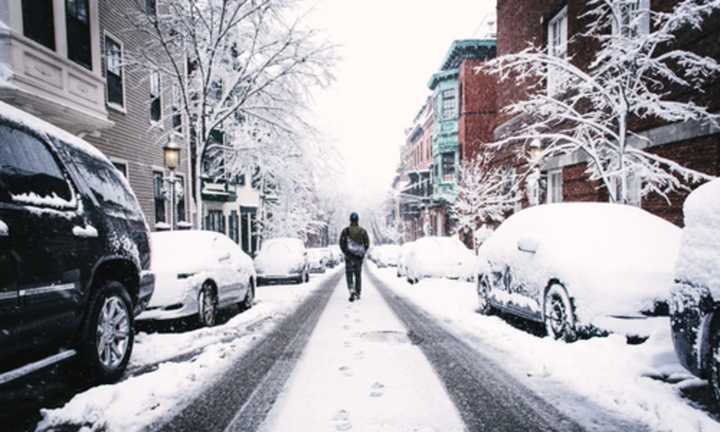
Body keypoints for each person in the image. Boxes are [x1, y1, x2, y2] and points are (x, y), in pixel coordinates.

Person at [339, 212, 370, 302]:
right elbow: (367, 243)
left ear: (350, 220)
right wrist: (362, 253)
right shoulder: (363, 231)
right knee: (357, 275)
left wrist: (346, 252)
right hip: (358, 258)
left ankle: (351, 289)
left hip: (349, 257)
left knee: (349, 274)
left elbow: (341, 243)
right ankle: (358, 292)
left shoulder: (345, 231)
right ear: (357, 220)